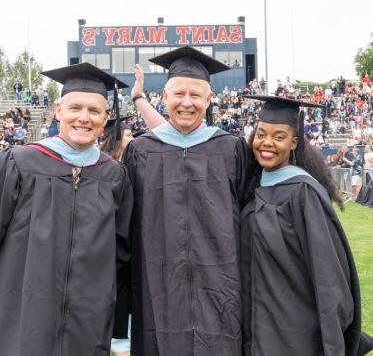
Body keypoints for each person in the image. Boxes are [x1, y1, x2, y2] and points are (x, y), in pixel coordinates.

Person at [119, 46, 248, 355]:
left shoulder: (231, 150)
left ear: (209, 99)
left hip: (222, 289)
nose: (186, 103)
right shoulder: (141, 152)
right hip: (158, 289)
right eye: (178, 94)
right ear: (164, 98)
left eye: (195, 95)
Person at [0, 63, 134, 356]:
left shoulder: (114, 176)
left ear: (106, 118)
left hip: (88, 322)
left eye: (94, 111)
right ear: (59, 110)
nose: (84, 118)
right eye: (75, 108)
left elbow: (122, 254)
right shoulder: (20, 163)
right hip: (21, 317)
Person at [241, 95, 373, 356]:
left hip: (296, 334)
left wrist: (332, 343)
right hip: (257, 328)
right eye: (261, 134)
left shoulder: (302, 193)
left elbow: (328, 277)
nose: (266, 143)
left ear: (294, 143)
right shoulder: (255, 185)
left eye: (279, 137)